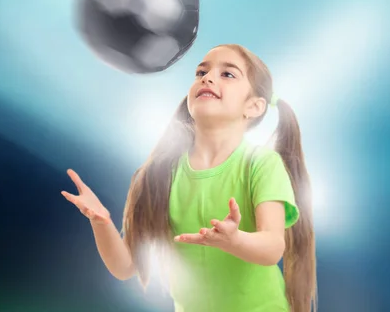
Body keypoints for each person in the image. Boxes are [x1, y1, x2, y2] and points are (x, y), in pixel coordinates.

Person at [61, 44, 317, 312]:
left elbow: (272, 246)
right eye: (200, 72)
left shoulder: (262, 164)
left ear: (253, 106)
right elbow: (125, 266)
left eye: (227, 74)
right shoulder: (161, 174)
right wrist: (101, 221)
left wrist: (235, 240)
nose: (207, 78)